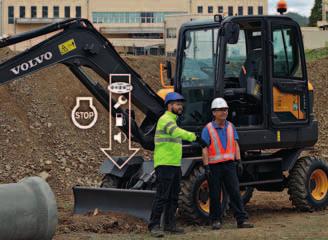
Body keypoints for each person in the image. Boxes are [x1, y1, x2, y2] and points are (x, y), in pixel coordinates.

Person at [148, 92, 201, 238]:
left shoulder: (172, 120)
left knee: (172, 196)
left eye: (181, 104)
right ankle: (154, 225)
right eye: (177, 104)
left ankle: (170, 225)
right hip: (164, 163)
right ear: (169, 105)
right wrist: (194, 137)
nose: (180, 107)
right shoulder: (165, 120)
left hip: (174, 164)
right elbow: (176, 132)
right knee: (162, 196)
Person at [201, 97, 254, 230]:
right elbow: (204, 149)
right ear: (214, 112)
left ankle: (241, 220)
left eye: (225, 110)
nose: (224, 112)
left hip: (230, 165)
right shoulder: (207, 129)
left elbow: (235, 144)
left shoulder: (231, 126)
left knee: (235, 192)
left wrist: (239, 160)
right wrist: (206, 166)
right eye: (220, 110)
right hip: (214, 166)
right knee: (215, 194)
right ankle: (215, 220)